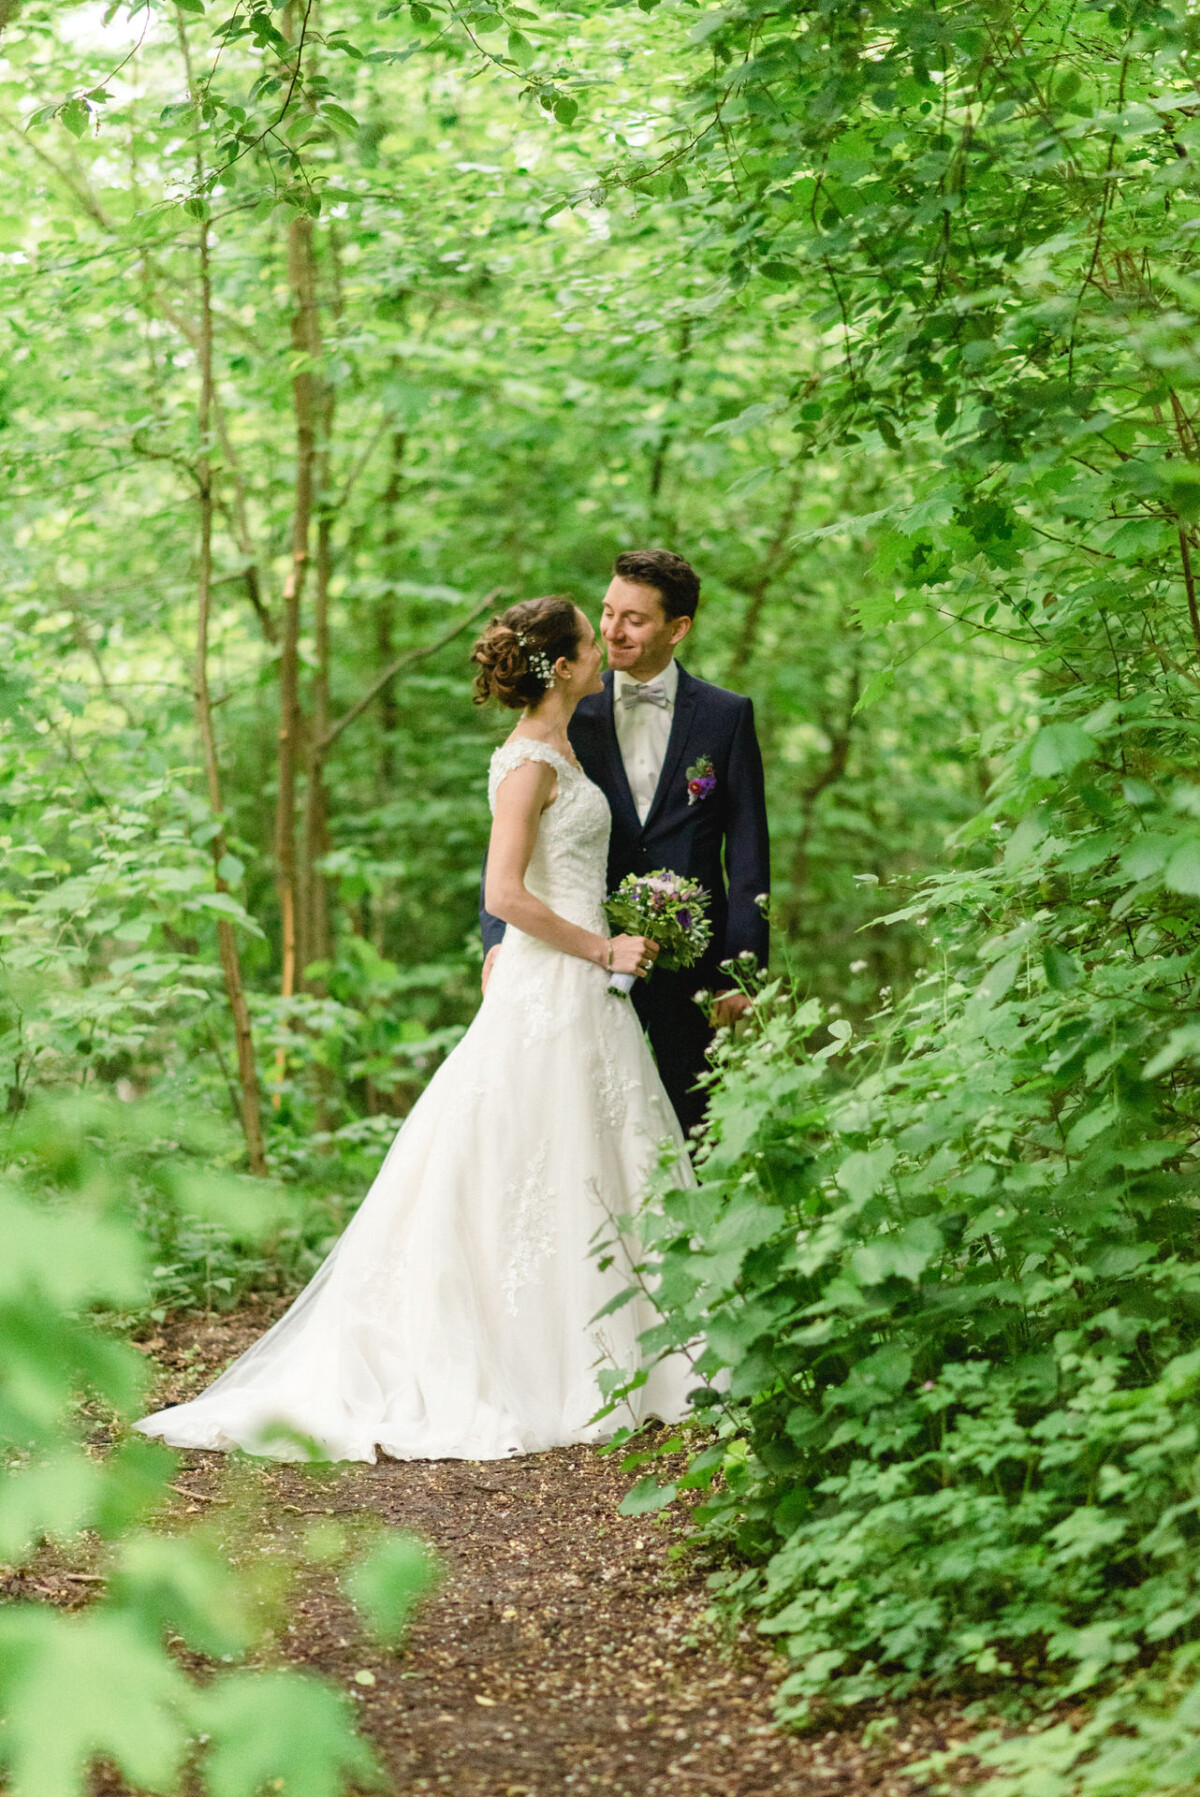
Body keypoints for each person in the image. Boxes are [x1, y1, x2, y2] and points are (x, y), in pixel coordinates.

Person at [136, 598, 695, 1464]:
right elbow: (503, 892)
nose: (601, 646)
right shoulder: (528, 762)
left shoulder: (565, 748)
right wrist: (600, 946)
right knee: (522, 1152)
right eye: (591, 638)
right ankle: (527, 1357)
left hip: (580, 988)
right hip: (556, 979)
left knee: (584, 1151)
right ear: (562, 666)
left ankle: (628, 1346)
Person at [481, 550, 770, 1138]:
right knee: (575, 1123)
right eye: (608, 613)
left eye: (634, 619)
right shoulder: (564, 705)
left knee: (694, 1128)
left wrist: (742, 971)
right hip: (576, 956)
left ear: (677, 628)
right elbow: (512, 840)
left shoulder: (726, 716)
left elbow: (747, 854)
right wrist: (496, 941)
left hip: (692, 965)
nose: (612, 630)